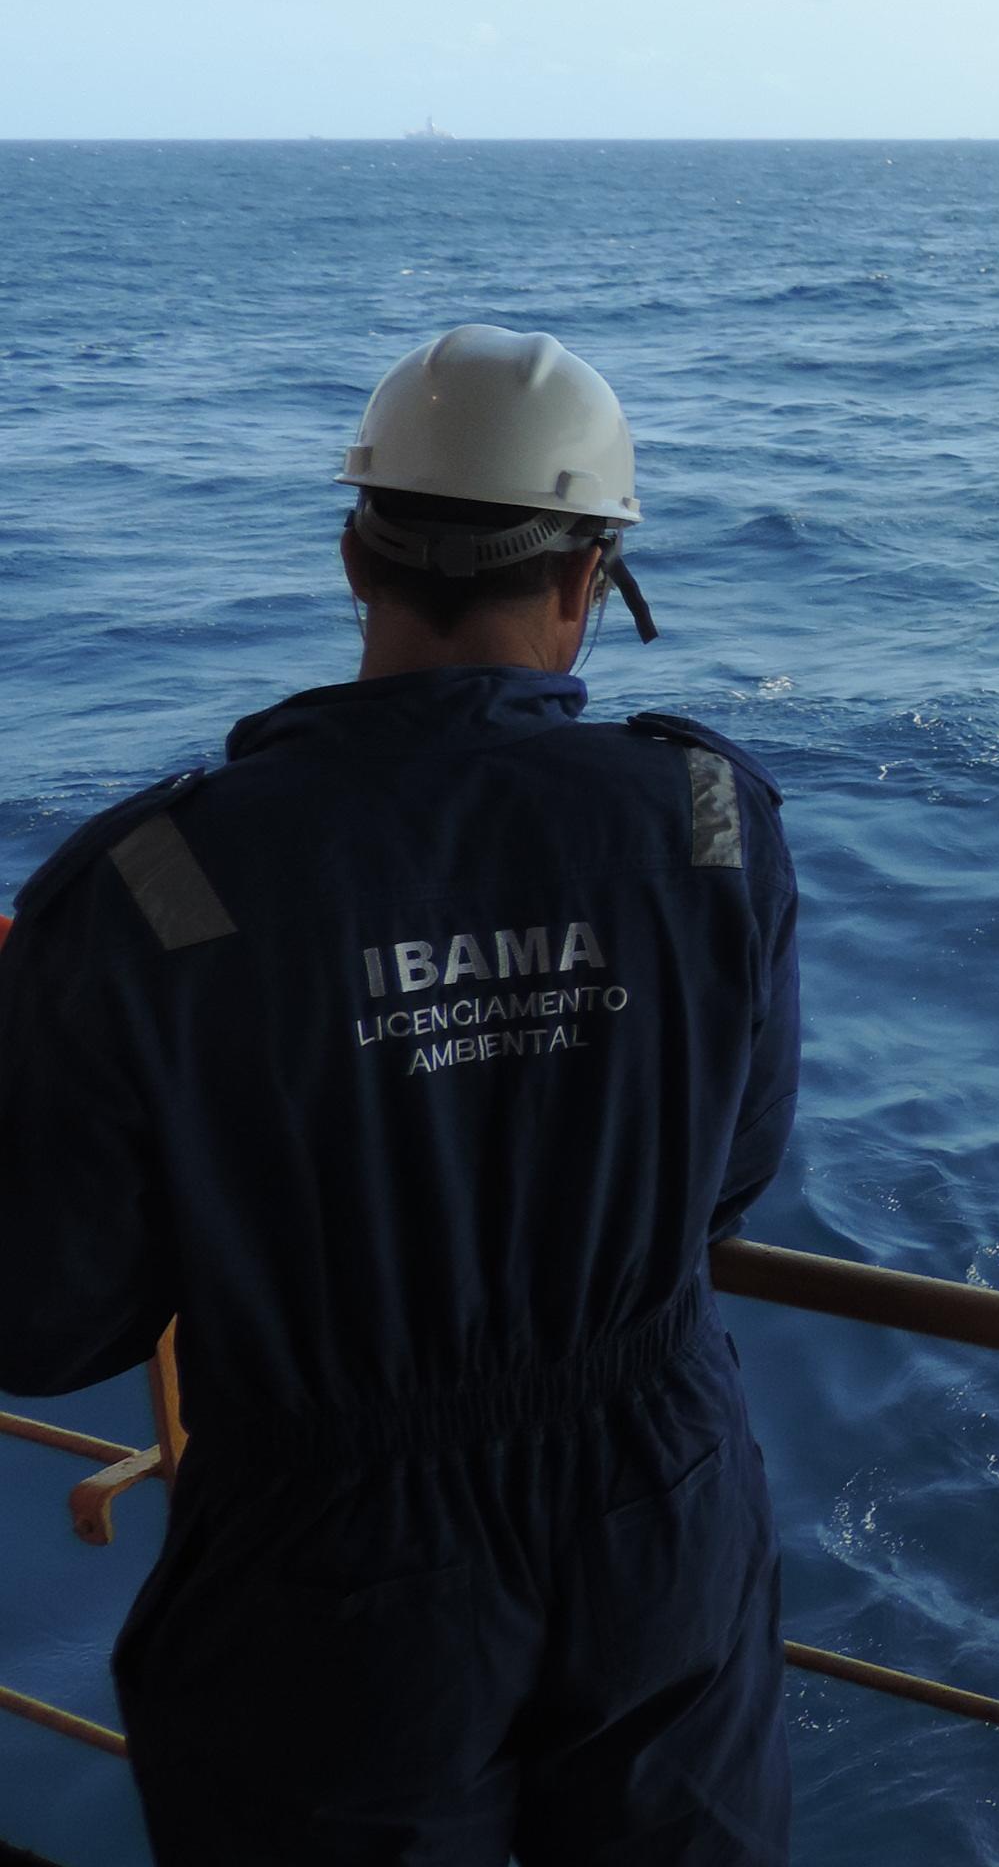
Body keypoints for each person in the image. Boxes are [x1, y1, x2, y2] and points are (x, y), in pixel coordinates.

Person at [0, 323, 798, 1865]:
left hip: (332, 1579)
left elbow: (48, 1323)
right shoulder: (710, 818)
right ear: (589, 576)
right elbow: (730, 1179)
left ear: (357, 557)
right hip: (661, 1516)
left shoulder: (156, 884)